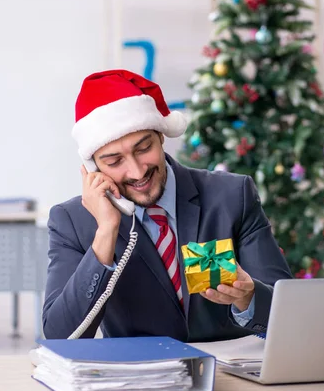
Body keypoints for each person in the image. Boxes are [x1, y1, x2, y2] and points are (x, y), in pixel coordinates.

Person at [43, 69, 292, 341]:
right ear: (93, 168)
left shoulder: (232, 195)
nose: (137, 172)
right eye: (114, 161)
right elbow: (61, 335)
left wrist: (250, 296)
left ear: (161, 136)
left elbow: (289, 311)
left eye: (143, 148)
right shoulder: (71, 221)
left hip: (230, 372)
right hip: (140, 375)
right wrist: (106, 232)